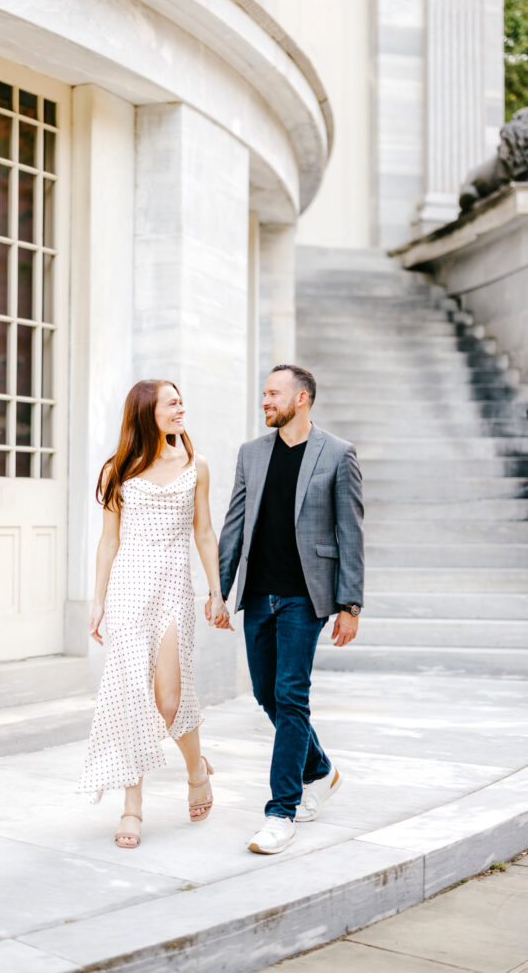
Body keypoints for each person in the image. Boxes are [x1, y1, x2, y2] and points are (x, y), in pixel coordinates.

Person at [212, 364, 364, 855]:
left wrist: (350, 603)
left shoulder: (338, 454)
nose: (265, 401)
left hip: (306, 595)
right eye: (263, 394)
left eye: (273, 394)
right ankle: (321, 769)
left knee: (291, 694)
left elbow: (351, 534)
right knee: (265, 693)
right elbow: (234, 525)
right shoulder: (251, 454)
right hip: (259, 593)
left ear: (302, 399)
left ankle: (282, 811)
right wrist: (221, 590)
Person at [77, 379, 226, 848]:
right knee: (128, 697)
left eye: (182, 400)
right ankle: (132, 807)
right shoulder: (116, 470)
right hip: (127, 591)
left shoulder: (195, 466)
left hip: (172, 593)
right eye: (172, 403)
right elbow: (109, 541)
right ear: (148, 413)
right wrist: (98, 601)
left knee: (168, 701)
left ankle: (196, 769)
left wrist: (215, 591)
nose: (182, 408)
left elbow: (203, 533)